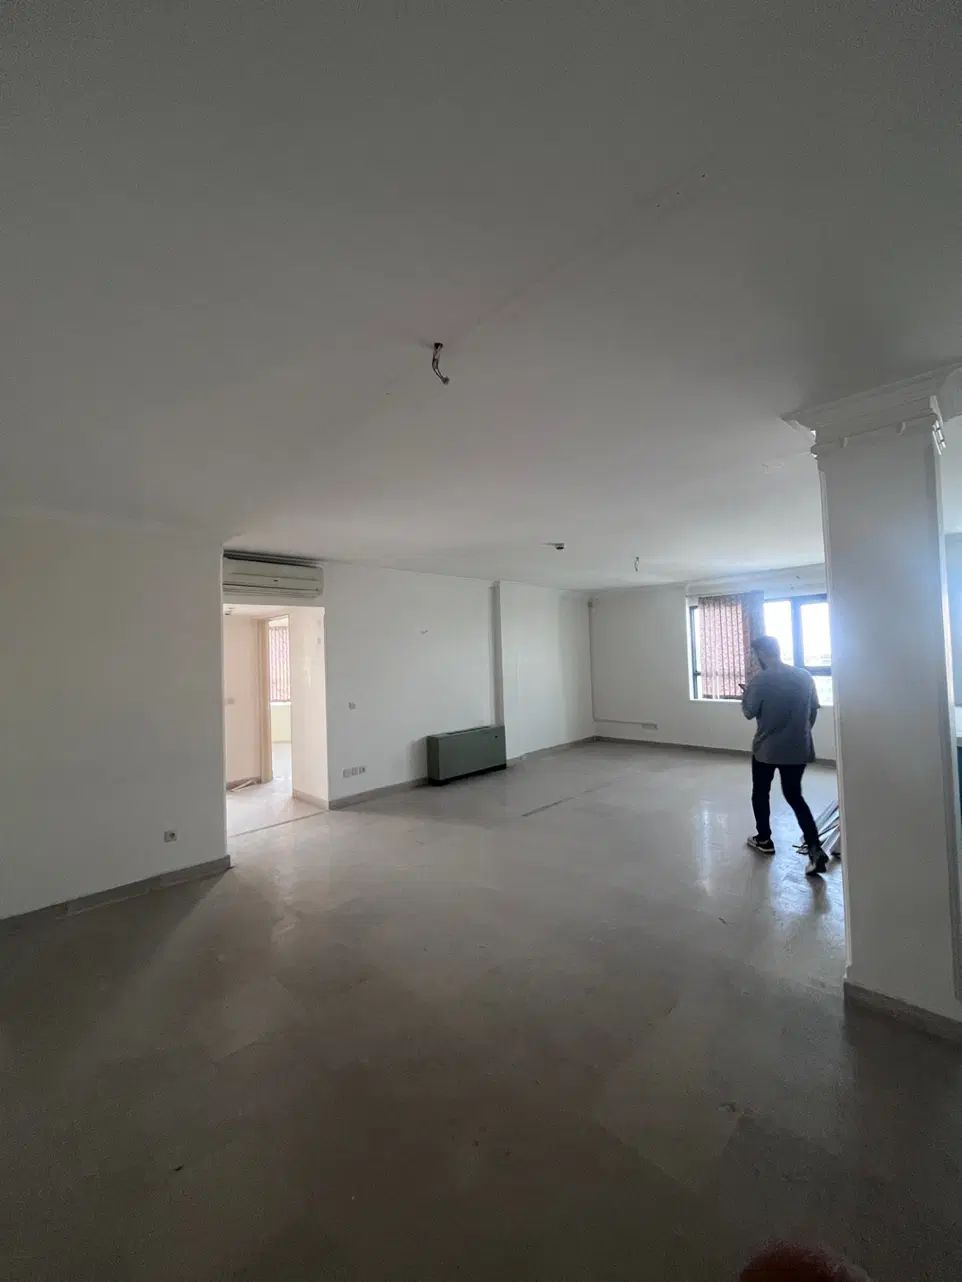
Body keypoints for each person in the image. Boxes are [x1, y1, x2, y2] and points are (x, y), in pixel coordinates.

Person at [741, 634, 828, 875]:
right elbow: (813, 711)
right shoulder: (804, 676)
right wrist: (801, 733)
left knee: (760, 792)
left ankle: (764, 840)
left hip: (766, 750)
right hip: (798, 747)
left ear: (760, 654)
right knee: (795, 796)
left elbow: (749, 712)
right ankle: (815, 849)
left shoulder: (760, 680)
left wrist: (746, 695)